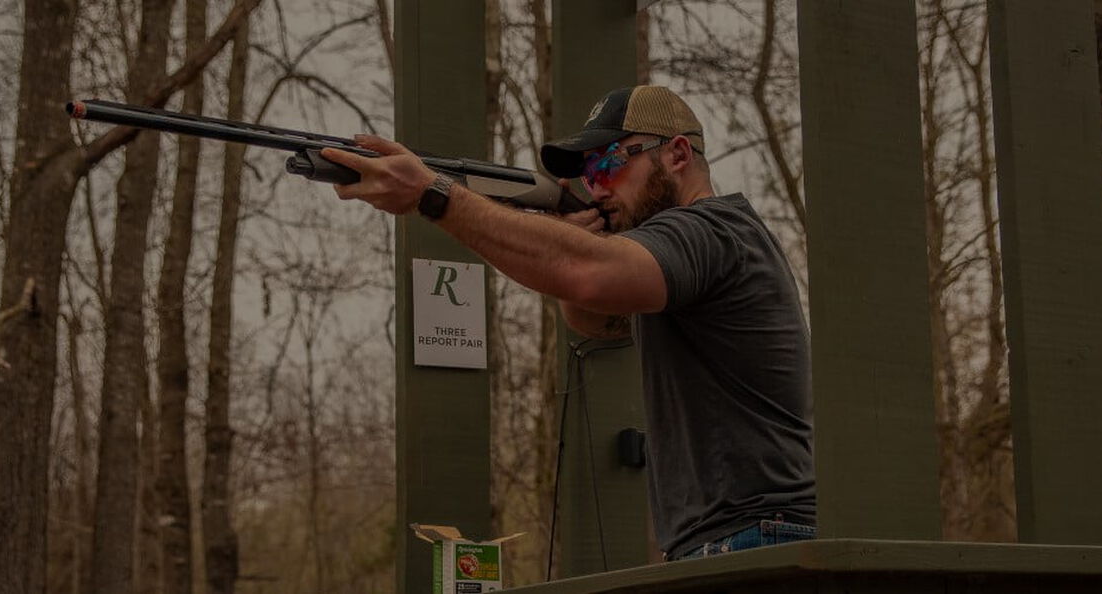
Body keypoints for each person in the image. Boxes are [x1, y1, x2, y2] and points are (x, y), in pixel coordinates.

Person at [321, 86, 815, 560]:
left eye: (607, 163)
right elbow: (595, 320)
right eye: (586, 174)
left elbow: (588, 275)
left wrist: (435, 195)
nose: (594, 185)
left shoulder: (709, 231)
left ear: (678, 155)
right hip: (735, 535)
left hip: (756, 534)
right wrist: (567, 236)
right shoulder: (702, 250)